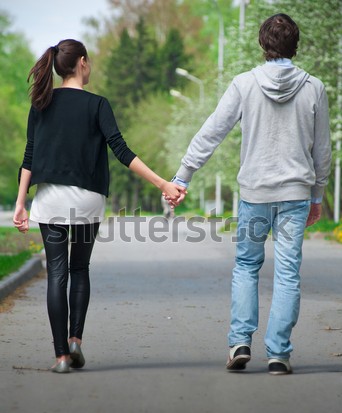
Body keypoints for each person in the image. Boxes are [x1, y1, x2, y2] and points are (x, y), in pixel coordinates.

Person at [171, 14, 331, 375]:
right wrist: (317, 196)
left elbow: (212, 131)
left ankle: (240, 342)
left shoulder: (244, 84)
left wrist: (183, 175)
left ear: (263, 44)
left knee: (246, 265)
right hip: (295, 194)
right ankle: (279, 353)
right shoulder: (314, 87)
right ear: (295, 45)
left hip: (255, 194)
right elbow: (322, 151)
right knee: (288, 273)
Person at [13, 39, 185, 373]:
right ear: (81, 63)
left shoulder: (41, 104)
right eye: (88, 62)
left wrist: (21, 202)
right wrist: (162, 183)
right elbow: (122, 151)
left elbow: (29, 156)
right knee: (79, 269)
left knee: (56, 274)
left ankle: (61, 356)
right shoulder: (97, 105)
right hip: (87, 199)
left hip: (49, 199)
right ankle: (76, 339)